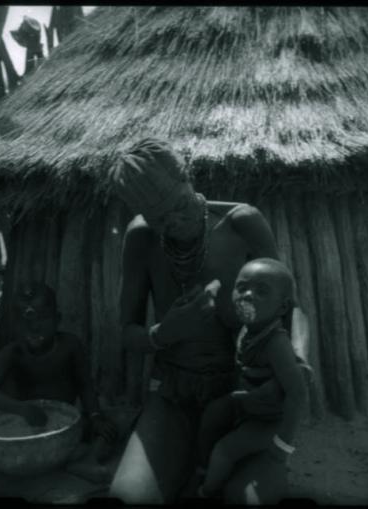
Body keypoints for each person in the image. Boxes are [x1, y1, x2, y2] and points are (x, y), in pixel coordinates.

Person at [109, 137, 310, 504]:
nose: (175, 223)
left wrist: (296, 360)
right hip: (173, 394)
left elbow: (292, 306)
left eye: (180, 207)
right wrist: (162, 334)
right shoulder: (141, 238)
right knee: (129, 498)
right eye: (161, 220)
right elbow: (127, 333)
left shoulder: (241, 223)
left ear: (188, 176)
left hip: (242, 396)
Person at [0, 283, 118, 474]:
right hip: (27, 425)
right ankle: (65, 460)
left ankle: (88, 460)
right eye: (25, 323)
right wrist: (21, 409)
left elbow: (85, 385)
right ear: (15, 325)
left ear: (57, 319)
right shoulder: (12, 353)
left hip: (65, 422)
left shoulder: (70, 346)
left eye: (42, 318)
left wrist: (95, 416)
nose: (34, 328)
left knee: (110, 427)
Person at [196, 258, 306, 497]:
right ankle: (205, 469)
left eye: (261, 291)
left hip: (268, 421)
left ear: (283, 307)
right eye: (241, 287)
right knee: (212, 415)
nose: (247, 295)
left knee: (225, 450)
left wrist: (283, 445)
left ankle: (208, 491)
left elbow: (298, 393)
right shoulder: (250, 328)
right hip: (246, 407)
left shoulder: (276, 343)